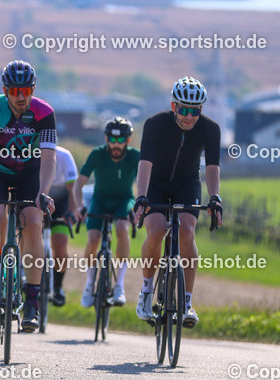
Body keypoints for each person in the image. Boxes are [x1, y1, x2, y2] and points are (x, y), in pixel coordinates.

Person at [0, 60, 57, 333]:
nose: (21, 97)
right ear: (5, 90)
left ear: (33, 89)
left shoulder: (44, 113)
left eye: (26, 90)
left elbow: (49, 157)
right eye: (15, 91)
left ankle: (32, 299)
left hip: (30, 172)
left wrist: (43, 192)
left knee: (33, 222)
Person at [132, 77, 222, 328]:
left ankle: (187, 302)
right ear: (174, 107)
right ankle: (147, 290)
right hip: (155, 184)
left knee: (187, 230)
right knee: (157, 229)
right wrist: (141, 196)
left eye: (194, 111)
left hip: (186, 184)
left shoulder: (210, 129)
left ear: (201, 110)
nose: (188, 116)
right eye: (183, 110)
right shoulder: (155, 124)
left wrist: (215, 197)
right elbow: (145, 163)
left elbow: (213, 167)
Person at [74, 117, 140, 308]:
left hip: (124, 200)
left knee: (121, 228)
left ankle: (119, 285)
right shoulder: (97, 154)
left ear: (128, 141)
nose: (116, 144)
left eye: (121, 140)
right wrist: (79, 206)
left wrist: (138, 208)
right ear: (106, 139)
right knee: (93, 238)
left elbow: (146, 182)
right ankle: (89, 284)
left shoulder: (135, 156)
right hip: (100, 200)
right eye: (112, 140)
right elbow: (79, 184)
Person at [46, 144, 78, 306]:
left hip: (61, 203)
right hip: (38, 199)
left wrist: (71, 212)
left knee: (60, 243)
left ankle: (58, 286)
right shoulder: (32, 151)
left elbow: (73, 189)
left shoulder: (65, 156)